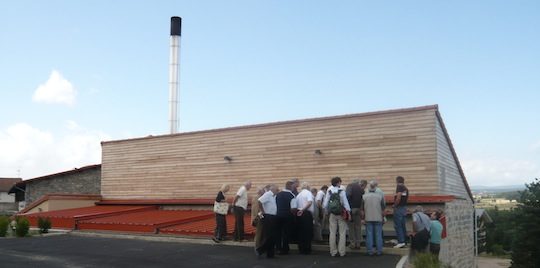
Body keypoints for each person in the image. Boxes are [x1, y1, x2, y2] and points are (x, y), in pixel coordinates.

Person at [323, 176, 351, 257]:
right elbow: (346, 203)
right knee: (342, 233)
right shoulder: (341, 191)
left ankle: (333, 251)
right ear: (338, 182)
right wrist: (348, 213)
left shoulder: (329, 191)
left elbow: (325, 203)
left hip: (332, 213)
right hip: (341, 213)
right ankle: (342, 252)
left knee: (332, 232)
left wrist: (326, 211)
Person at [362, 181, 385, 256]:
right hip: (378, 217)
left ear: (368, 189)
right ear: (375, 189)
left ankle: (370, 251)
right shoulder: (380, 197)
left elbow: (362, 209)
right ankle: (379, 251)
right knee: (378, 235)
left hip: (368, 218)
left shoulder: (364, 197)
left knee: (369, 235)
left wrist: (363, 218)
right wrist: (383, 218)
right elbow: (383, 208)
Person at [256, 184, 279, 258]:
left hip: (273, 216)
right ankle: (261, 249)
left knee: (272, 236)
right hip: (268, 216)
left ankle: (270, 253)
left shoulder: (274, 196)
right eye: (277, 190)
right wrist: (263, 211)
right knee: (269, 235)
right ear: (273, 190)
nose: (278, 191)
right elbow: (259, 201)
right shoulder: (268, 194)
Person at [275, 180, 296, 255]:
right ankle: (285, 249)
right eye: (293, 186)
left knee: (278, 232)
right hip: (287, 215)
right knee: (286, 233)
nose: (294, 188)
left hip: (278, 215)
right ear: (291, 187)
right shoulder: (292, 195)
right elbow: (293, 208)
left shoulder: (278, 194)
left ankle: (278, 248)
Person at [346, 179, 366, 249]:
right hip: (359, 209)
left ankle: (352, 243)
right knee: (358, 227)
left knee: (351, 227)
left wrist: (347, 206)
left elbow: (348, 195)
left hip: (351, 209)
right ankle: (358, 243)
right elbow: (363, 198)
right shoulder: (361, 188)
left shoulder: (350, 186)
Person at [296, 181, 314, 254]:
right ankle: (307, 249)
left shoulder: (299, 195)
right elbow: (310, 202)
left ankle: (301, 249)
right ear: (308, 186)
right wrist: (303, 210)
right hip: (306, 213)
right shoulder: (308, 193)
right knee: (308, 232)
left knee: (301, 232)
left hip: (299, 213)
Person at [393, 176, 409, 248]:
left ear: (397, 181)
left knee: (398, 225)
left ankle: (401, 241)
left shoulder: (399, 186)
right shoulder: (405, 188)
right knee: (402, 225)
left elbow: (398, 197)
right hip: (404, 208)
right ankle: (404, 241)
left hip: (399, 208)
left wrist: (395, 205)